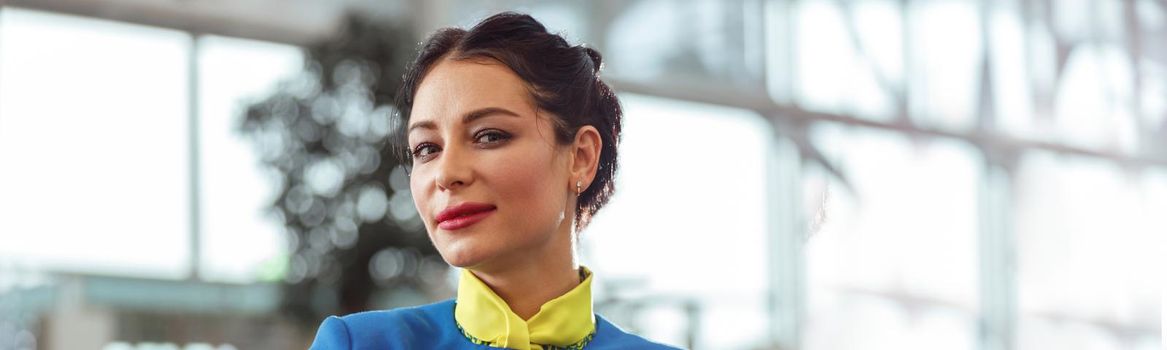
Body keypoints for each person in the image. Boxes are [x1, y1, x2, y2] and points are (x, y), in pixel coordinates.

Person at [309, 11, 679, 350]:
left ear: (580, 157)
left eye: (489, 136)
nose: (448, 174)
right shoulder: (359, 344)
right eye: (426, 148)